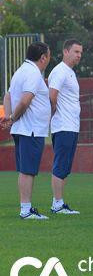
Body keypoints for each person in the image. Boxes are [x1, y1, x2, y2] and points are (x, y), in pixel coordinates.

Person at [2, 42, 51, 220]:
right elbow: (25, 100)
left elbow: (7, 95)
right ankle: (26, 210)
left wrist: (8, 117)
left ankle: (26, 208)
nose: (49, 59)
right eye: (48, 56)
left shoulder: (20, 71)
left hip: (23, 128)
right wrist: (13, 118)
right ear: (43, 57)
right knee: (28, 170)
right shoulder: (33, 73)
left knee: (25, 169)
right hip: (30, 129)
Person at [48, 39, 83, 214]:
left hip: (71, 126)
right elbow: (52, 95)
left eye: (80, 53)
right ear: (65, 51)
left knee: (65, 166)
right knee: (60, 164)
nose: (79, 56)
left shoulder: (69, 72)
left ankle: (59, 203)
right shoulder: (60, 71)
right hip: (63, 125)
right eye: (76, 52)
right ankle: (57, 204)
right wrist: (54, 112)